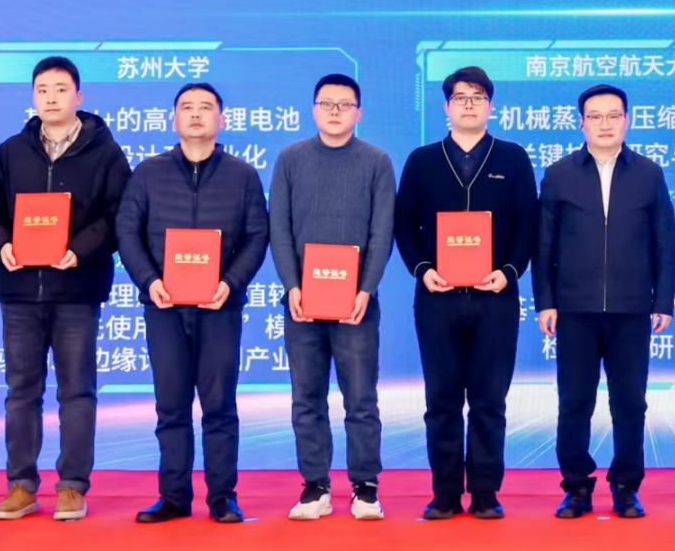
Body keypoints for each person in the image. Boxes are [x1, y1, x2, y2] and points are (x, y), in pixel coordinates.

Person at [0, 56, 131, 522]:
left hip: (77, 288)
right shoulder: (11, 152)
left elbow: (119, 215)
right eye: (42, 90)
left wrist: (79, 250)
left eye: (60, 89)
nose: (51, 98)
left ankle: (73, 485)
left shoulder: (105, 153)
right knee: (21, 390)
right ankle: (21, 485)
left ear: (79, 96)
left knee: (77, 390)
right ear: (32, 97)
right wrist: (1, 246)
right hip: (20, 291)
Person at [116, 82, 270, 524]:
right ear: (174, 119)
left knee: (219, 404)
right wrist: (149, 281)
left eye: (206, 107)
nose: (196, 114)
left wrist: (230, 283)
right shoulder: (149, 173)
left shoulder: (242, 175)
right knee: (171, 405)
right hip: (164, 306)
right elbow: (127, 230)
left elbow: (257, 235)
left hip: (220, 306)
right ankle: (173, 496)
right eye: (187, 107)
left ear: (222, 119)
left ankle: (223, 497)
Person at [394, 65, 538, 521]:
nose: (469, 104)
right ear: (446, 107)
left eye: (478, 97)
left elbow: (528, 224)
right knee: (441, 401)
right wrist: (423, 270)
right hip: (437, 298)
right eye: (461, 97)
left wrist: (509, 271)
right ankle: (444, 494)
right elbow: (404, 224)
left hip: (495, 298)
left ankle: (485, 493)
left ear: (491, 107)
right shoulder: (422, 160)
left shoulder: (512, 158)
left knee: (489, 401)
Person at [536, 83, 675, 521]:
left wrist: (663, 301)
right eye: (595, 116)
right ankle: (576, 488)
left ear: (627, 121)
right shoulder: (559, 174)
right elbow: (544, 245)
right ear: (581, 123)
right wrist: (545, 301)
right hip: (574, 309)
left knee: (630, 402)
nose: (604, 124)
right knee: (574, 402)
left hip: (631, 308)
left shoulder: (648, 173)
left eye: (613, 116)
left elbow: (665, 242)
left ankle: (626, 486)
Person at [269, 72, 396, 522]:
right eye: (327, 104)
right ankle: (314, 486)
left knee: (361, 398)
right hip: (302, 302)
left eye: (345, 105)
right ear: (313, 110)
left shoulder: (376, 161)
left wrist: (366, 289)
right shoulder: (290, 159)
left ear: (359, 112)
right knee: (306, 396)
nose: (335, 111)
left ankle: (365, 486)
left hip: (356, 304)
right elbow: (279, 227)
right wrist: (292, 286)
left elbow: (382, 231)